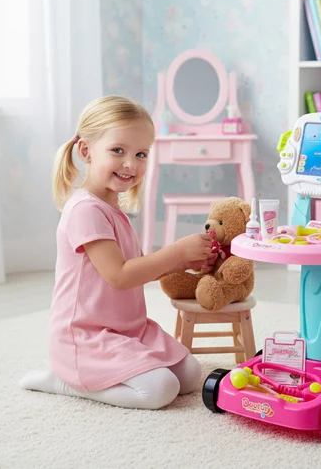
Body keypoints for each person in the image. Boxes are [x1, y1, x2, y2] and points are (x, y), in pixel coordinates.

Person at [20, 95, 214, 409]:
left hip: (129, 329)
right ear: (86, 151)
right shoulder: (86, 210)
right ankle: (67, 382)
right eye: (118, 151)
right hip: (86, 337)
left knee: (190, 375)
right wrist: (176, 250)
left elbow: (138, 267)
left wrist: (184, 262)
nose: (131, 164)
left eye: (141, 154)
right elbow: (120, 276)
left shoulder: (112, 208)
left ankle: (101, 372)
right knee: (160, 389)